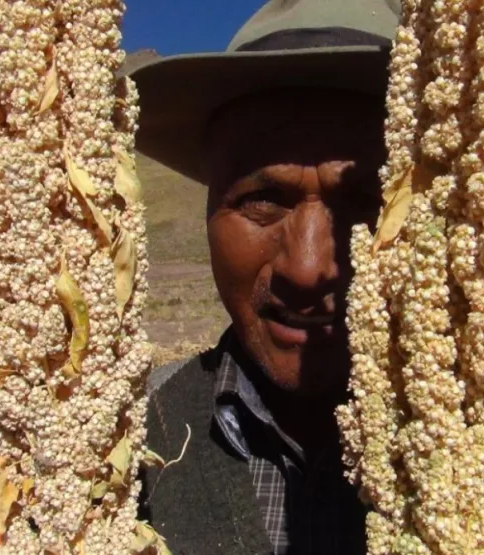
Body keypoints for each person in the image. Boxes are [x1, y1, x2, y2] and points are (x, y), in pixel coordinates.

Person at [128, 1, 399, 553]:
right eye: (261, 202)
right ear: (206, 211)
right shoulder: (120, 450)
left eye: (366, 203)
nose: (306, 268)